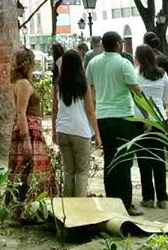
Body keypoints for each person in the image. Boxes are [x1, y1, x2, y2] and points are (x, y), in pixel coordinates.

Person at [86, 31, 142, 215]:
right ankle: (125, 203)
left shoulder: (93, 63)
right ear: (119, 44)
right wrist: (146, 112)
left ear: (102, 44)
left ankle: (111, 201)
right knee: (124, 161)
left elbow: (90, 88)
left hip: (103, 116)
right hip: (124, 116)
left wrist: (97, 103)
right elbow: (136, 90)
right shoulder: (124, 63)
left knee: (110, 159)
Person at [7, 48, 56, 218]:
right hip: (29, 130)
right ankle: (20, 211)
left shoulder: (22, 82)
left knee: (25, 170)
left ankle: (23, 210)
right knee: (26, 170)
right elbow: (21, 112)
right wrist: (27, 138)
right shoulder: (24, 84)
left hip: (30, 128)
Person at [52, 49, 100, 196]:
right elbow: (90, 111)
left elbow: (54, 110)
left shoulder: (58, 85)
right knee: (81, 171)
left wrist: (54, 131)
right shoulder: (83, 84)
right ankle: (80, 207)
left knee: (68, 171)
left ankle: (68, 206)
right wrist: (97, 134)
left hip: (62, 130)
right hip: (81, 131)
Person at [133, 44, 168, 209]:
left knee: (143, 159)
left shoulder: (135, 75)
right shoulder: (162, 74)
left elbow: (135, 98)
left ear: (138, 58)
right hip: (159, 119)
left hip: (140, 120)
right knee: (158, 158)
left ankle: (148, 197)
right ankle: (162, 197)